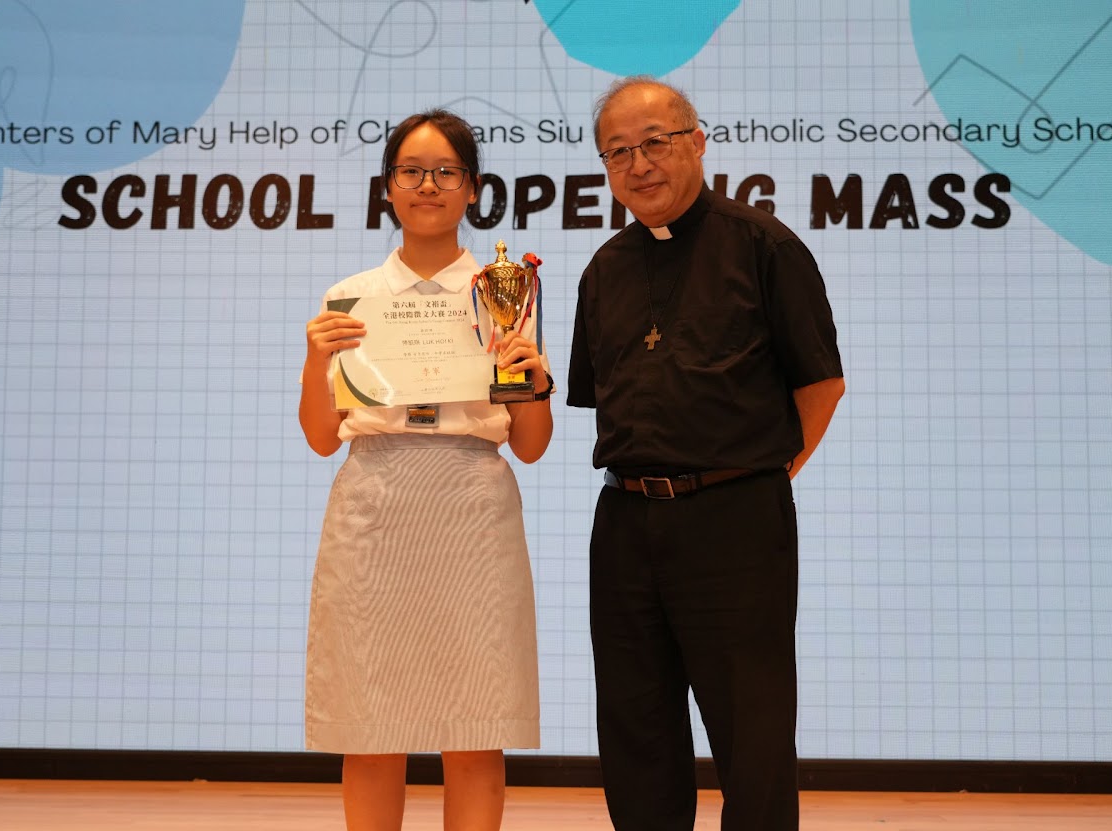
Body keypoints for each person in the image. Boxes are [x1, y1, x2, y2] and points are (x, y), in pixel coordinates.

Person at [566, 77, 844, 830]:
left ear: (696, 141)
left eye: (655, 142)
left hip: (736, 521)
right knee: (636, 728)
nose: (639, 164)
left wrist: (754, 476)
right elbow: (601, 396)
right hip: (625, 523)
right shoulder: (603, 269)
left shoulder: (764, 246)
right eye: (618, 152)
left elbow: (822, 384)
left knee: (752, 734)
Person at [298, 108, 554, 831]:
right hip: (374, 507)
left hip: (472, 508)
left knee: (474, 726)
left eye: (446, 171)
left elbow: (531, 446)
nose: (428, 185)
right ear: (388, 188)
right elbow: (320, 438)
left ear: (472, 188)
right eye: (411, 172)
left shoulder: (504, 292)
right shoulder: (349, 298)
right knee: (371, 728)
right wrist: (315, 361)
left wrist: (535, 383)